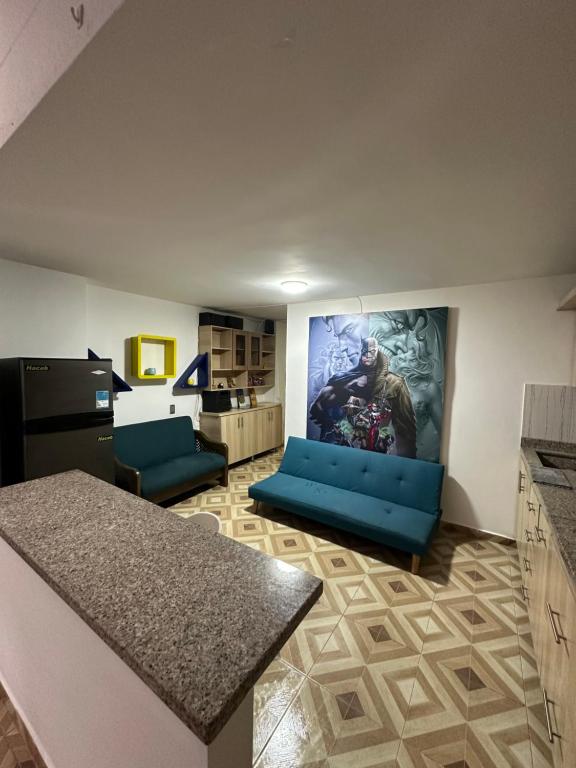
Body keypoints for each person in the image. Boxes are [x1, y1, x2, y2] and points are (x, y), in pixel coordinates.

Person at [310, 337, 417, 457]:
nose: (368, 355)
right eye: (365, 351)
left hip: (374, 452)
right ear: (361, 350)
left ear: (377, 351)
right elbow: (316, 408)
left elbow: (406, 433)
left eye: (372, 351)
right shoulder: (342, 379)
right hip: (340, 452)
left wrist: (407, 462)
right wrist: (332, 426)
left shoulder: (394, 384)